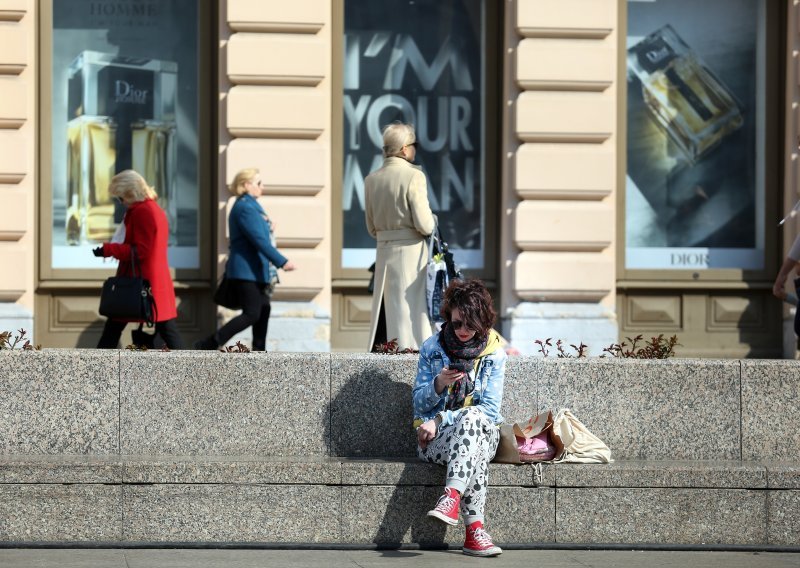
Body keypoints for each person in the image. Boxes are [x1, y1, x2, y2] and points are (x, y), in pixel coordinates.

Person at [412, 278, 506, 557]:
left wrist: (440, 419)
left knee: (475, 419)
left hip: (481, 432)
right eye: (456, 324)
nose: (463, 330)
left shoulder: (493, 354)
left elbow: (490, 410)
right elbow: (418, 404)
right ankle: (474, 532)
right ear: (448, 318)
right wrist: (438, 384)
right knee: (472, 446)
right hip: (434, 440)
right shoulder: (432, 348)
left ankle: (451, 497)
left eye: (470, 324)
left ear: (483, 322)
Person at [194, 168, 295, 351]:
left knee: (263, 309)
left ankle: (259, 350)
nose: (262, 187)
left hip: (255, 270)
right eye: (258, 183)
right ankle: (209, 343)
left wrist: (268, 226)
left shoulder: (251, 206)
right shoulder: (245, 208)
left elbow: (259, 235)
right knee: (252, 313)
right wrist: (282, 261)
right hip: (245, 270)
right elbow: (259, 241)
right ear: (247, 185)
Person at [365, 122, 436, 352]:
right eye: (414, 144)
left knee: (387, 316)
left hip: (384, 253)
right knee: (412, 319)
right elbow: (425, 225)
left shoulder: (372, 179)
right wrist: (434, 220)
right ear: (405, 149)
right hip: (411, 253)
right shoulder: (414, 176)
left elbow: (371, 228)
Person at [94, 169, 184, 349]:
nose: (121, 203)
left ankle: (97, 369)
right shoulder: (151, 209)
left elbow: (141, 251)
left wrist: (109, 249)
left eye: (121, 198)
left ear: (129, 193)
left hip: (141, 280)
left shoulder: (143, 211)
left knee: (115, 327)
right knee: (165, 327)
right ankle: (191, 369)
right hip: (150, 279)